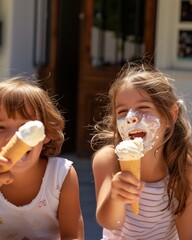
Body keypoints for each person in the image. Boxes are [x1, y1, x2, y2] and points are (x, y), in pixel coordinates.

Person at [91, 62, 192, 240]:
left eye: (143, 108)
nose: (131, 118)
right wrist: (116, 196)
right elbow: (110, 222)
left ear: (170, 116)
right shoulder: (107, 160)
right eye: (122, 112)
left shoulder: (183, 169)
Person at [0, 77, 84, 240]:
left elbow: (73, 236)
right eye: (0, 127)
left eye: (27, 128)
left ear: (46, 134)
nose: (13, 137)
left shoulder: (61, 175)